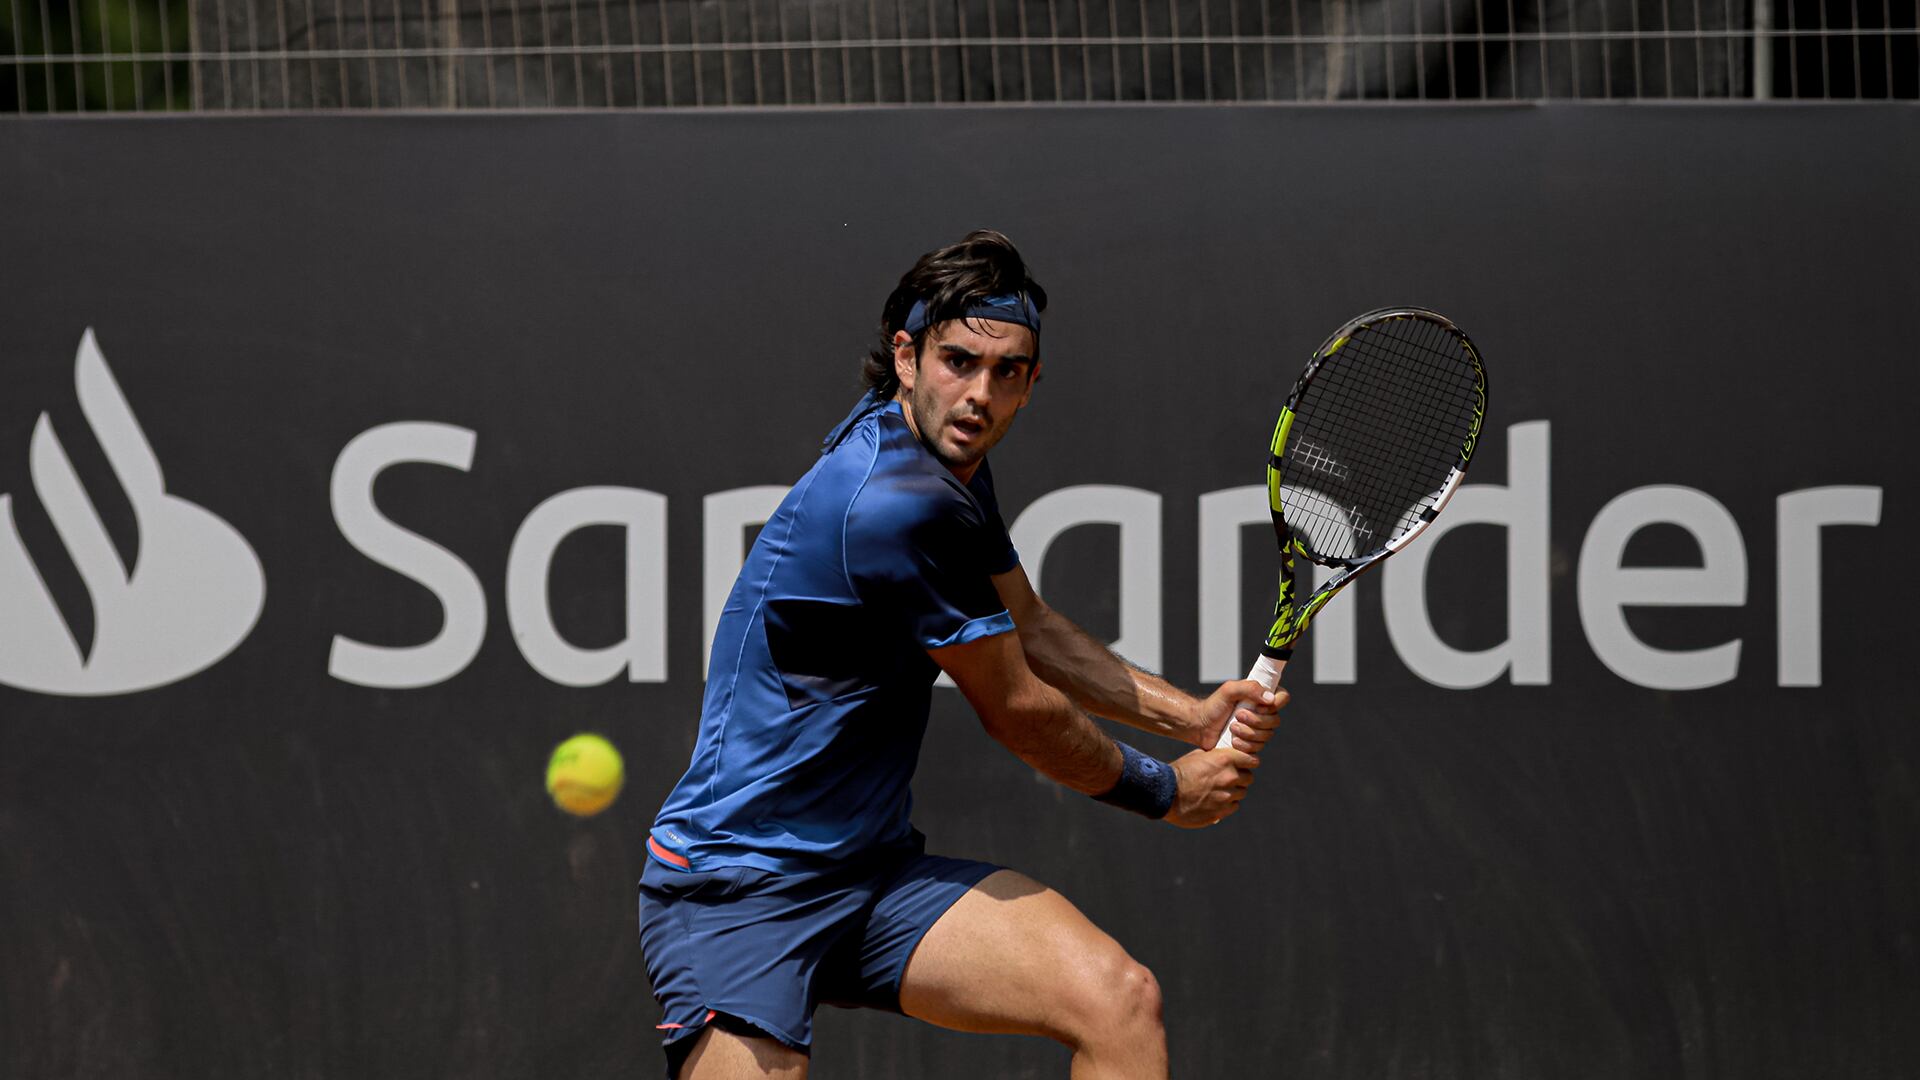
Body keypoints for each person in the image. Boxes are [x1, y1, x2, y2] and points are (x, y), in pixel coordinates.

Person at [640, 229, 1285, 1079]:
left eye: (1006, 371)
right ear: (905, 358)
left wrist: (1192, 716)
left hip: (869, 875)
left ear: (1032, 384)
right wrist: (1168, 790)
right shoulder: (891, 503)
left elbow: (1034, 625)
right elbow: (1017, 710)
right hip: (739, 890)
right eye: (958, 362)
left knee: (1117, 999)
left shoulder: (946, 461)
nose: (979, 394)